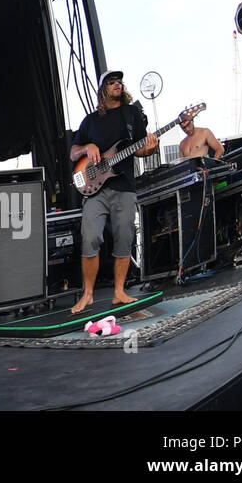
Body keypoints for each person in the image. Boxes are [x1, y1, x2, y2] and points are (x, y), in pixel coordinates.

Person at [69, 69, 159, 314]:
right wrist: (87, 147)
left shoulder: (131, 115)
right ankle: (87, 294)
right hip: (94, 191)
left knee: (124, 238)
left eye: (120, 80)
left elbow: (141, 148)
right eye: (112, 81)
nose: (118, 84)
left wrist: (150, 148)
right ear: (103, 89)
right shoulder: (90, 121)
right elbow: (73, 152)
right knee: (90, 237)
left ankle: (119, 292)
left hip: (124, 187)